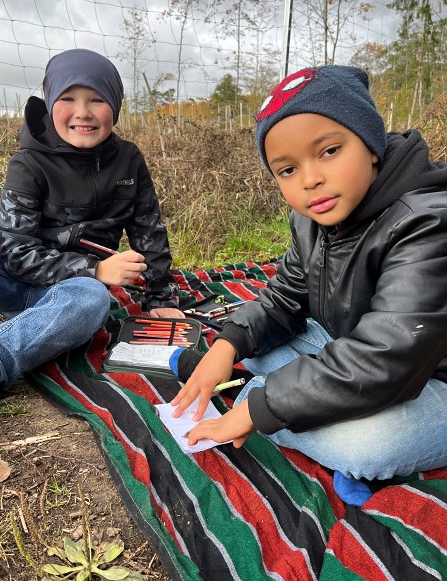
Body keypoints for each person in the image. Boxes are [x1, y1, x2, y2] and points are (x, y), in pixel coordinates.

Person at [171, 65, 447, 505]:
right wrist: (227, 344)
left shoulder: (428, 220)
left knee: (366, 447)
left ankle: (251, 399)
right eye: (286, 170)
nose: (309, 179)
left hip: (427, 375)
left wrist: (260, 409)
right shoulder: (313, 216)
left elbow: (387, 356)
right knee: (257, 346)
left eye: (329, 151)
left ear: (371, 143)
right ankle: (261, 390)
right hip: (352, 349)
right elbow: (284, 298)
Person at [0, 48, 183, 406]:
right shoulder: (28, 162)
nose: (82, 112)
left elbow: (150, 232)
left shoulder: (129, 159)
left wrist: (159, 295)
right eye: (68, 98)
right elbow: (14, 253)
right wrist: (97, 268)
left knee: (92, 298)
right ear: (51, 101)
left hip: (73, 295)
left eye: (97, 99)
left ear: (115, 105)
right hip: (16, 277)